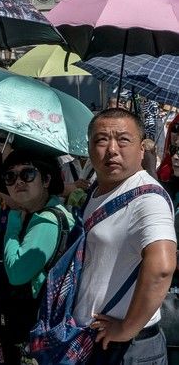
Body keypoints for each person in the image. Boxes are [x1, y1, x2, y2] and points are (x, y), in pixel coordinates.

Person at [75, 108, 176, 364]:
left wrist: (127, 328)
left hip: (129, 349)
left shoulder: (148, 199)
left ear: (142, 149)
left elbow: (162, 267)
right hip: (93, 341)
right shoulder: (98, 191)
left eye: (123, 139)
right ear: (88, 147)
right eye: (101, 139)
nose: (111, 149)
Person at [0, 149, 73, 363]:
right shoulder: (34, 213)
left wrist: (13, 223)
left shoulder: (46, 220)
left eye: (28, 174)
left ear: (46, 179)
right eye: (10, 176)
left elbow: (16, 272)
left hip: (31, 332)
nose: (18, 182)